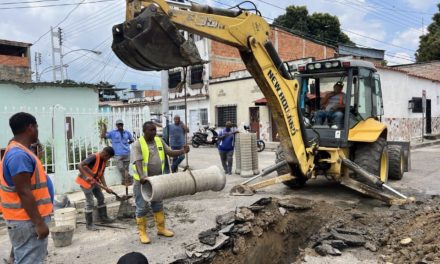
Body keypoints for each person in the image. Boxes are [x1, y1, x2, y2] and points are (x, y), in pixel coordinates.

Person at [0, 112, 54, 264]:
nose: (37, 131)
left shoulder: (19, 150)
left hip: (25, 220)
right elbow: (24, 191)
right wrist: (39, 223)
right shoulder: (18, 155)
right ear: (30, 127)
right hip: (27, 222)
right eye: (36, 127)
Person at [131, 121, 189, 244]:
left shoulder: (159, 141)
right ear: (144, 131)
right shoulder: (138, 144)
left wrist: (182, 151)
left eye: (154, 130)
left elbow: (170, 152)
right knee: (142, 207)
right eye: (151, 130)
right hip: (142, 182)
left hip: (157, 180)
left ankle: (161, 229)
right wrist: (142, 176)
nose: (154, 132)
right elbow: (137, 161)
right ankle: (142, 233)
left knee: (158, 204)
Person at [75, 146, 115, 231]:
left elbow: (101, 175)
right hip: (85, 182)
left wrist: (105, 187)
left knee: (101, 197)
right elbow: (79, 165)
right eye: (108, 157)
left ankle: (104, 218)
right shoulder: (94, 157)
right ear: (105, 153)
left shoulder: (103, 161)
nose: (108, 159)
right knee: (90, 201)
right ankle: (89, 224)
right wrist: (86, 177)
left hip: (94, 182)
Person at [101, 119, 134, 185]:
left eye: (121, 124)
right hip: (117, 154)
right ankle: (130, 178)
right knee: (121, 168)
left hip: (127, 153)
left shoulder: (127, 132)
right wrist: (104, 128)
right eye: (119, 124)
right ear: (116, 125)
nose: (120, 126)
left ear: (123, 125)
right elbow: (104, 136)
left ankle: (125, 181)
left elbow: (132, 140)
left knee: (126, 169)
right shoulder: (113, 133)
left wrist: (126, 145)